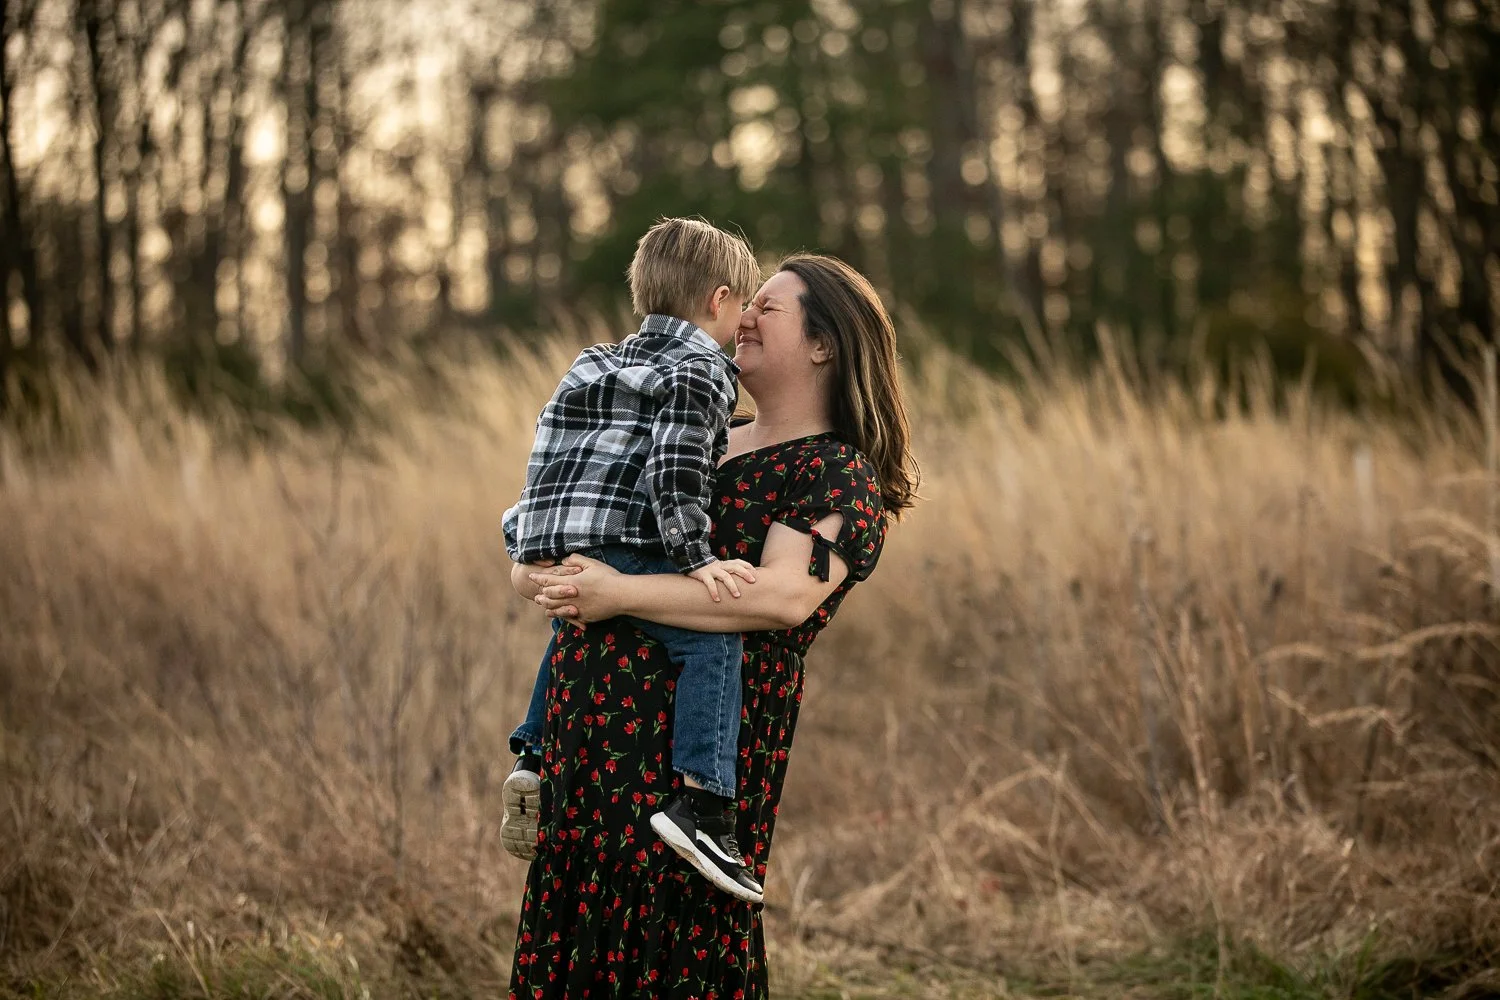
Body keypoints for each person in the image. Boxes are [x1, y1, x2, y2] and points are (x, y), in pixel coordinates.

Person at [506, 254, 918, 999]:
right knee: (573, 941)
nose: (742, 315)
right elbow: (563, 540)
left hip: (694, 758)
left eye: (769, 306)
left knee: (673, 946)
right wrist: (553, 575)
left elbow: (783, 599)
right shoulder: (691, 427)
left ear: (824, 344)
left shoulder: (833, 472)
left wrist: (618, 594)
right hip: (586, 732)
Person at [500, 217, 766, 902]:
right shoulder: (705, 368)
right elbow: (674, 468)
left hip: (562, 537)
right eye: (743, 309)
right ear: (719, 301)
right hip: (633, 539)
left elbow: (546, 454)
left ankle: (533, 753)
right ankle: (705, 804)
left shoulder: (593, 360)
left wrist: (528, 543)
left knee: (572, 620)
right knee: (714, 639)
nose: (742, 327)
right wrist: (697, 558)